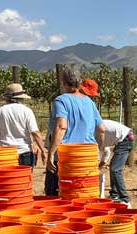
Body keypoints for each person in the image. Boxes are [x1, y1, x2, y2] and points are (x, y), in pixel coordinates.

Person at [45, 66, 105, 196]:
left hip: (67, 157)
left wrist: (51, 153)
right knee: (84, 195)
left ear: (64, 82)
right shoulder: (89, 102)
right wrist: (98, 151)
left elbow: (61, 126)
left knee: (58, 197)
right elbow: (101, 130)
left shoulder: (61, 100)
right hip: (87, 157)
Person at [0, 83, 46, 167]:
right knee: (23, 179)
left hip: (5, 153)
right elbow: (35, 132)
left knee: (7, 179)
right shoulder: (27, 111)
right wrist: (43, 150)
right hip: (25, 152)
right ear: (21, 98)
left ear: (7, 97)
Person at [97, 119, 135, 206]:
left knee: (115, 170)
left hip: (125, 138)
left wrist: (98, 166)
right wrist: (99, 166)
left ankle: (125, 200)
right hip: (123, 138)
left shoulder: (94, 132)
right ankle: (114, 195)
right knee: (113, 168)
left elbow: (105, 152)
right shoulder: (95, 132)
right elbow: (106, 151)